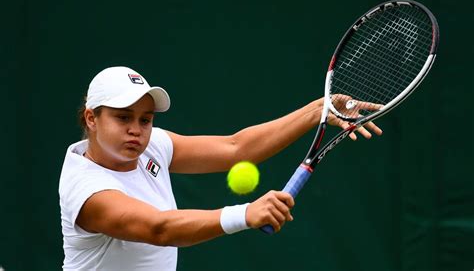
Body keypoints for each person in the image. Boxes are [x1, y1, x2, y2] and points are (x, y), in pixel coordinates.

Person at [59, 66, 382, 271]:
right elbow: (160, 229)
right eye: (123, 117)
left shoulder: (152, 146)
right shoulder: (86, 189)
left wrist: (317, 110)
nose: (137, 129)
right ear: (91, 118)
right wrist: (244, 214)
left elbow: (235, 148)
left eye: (145, 119)